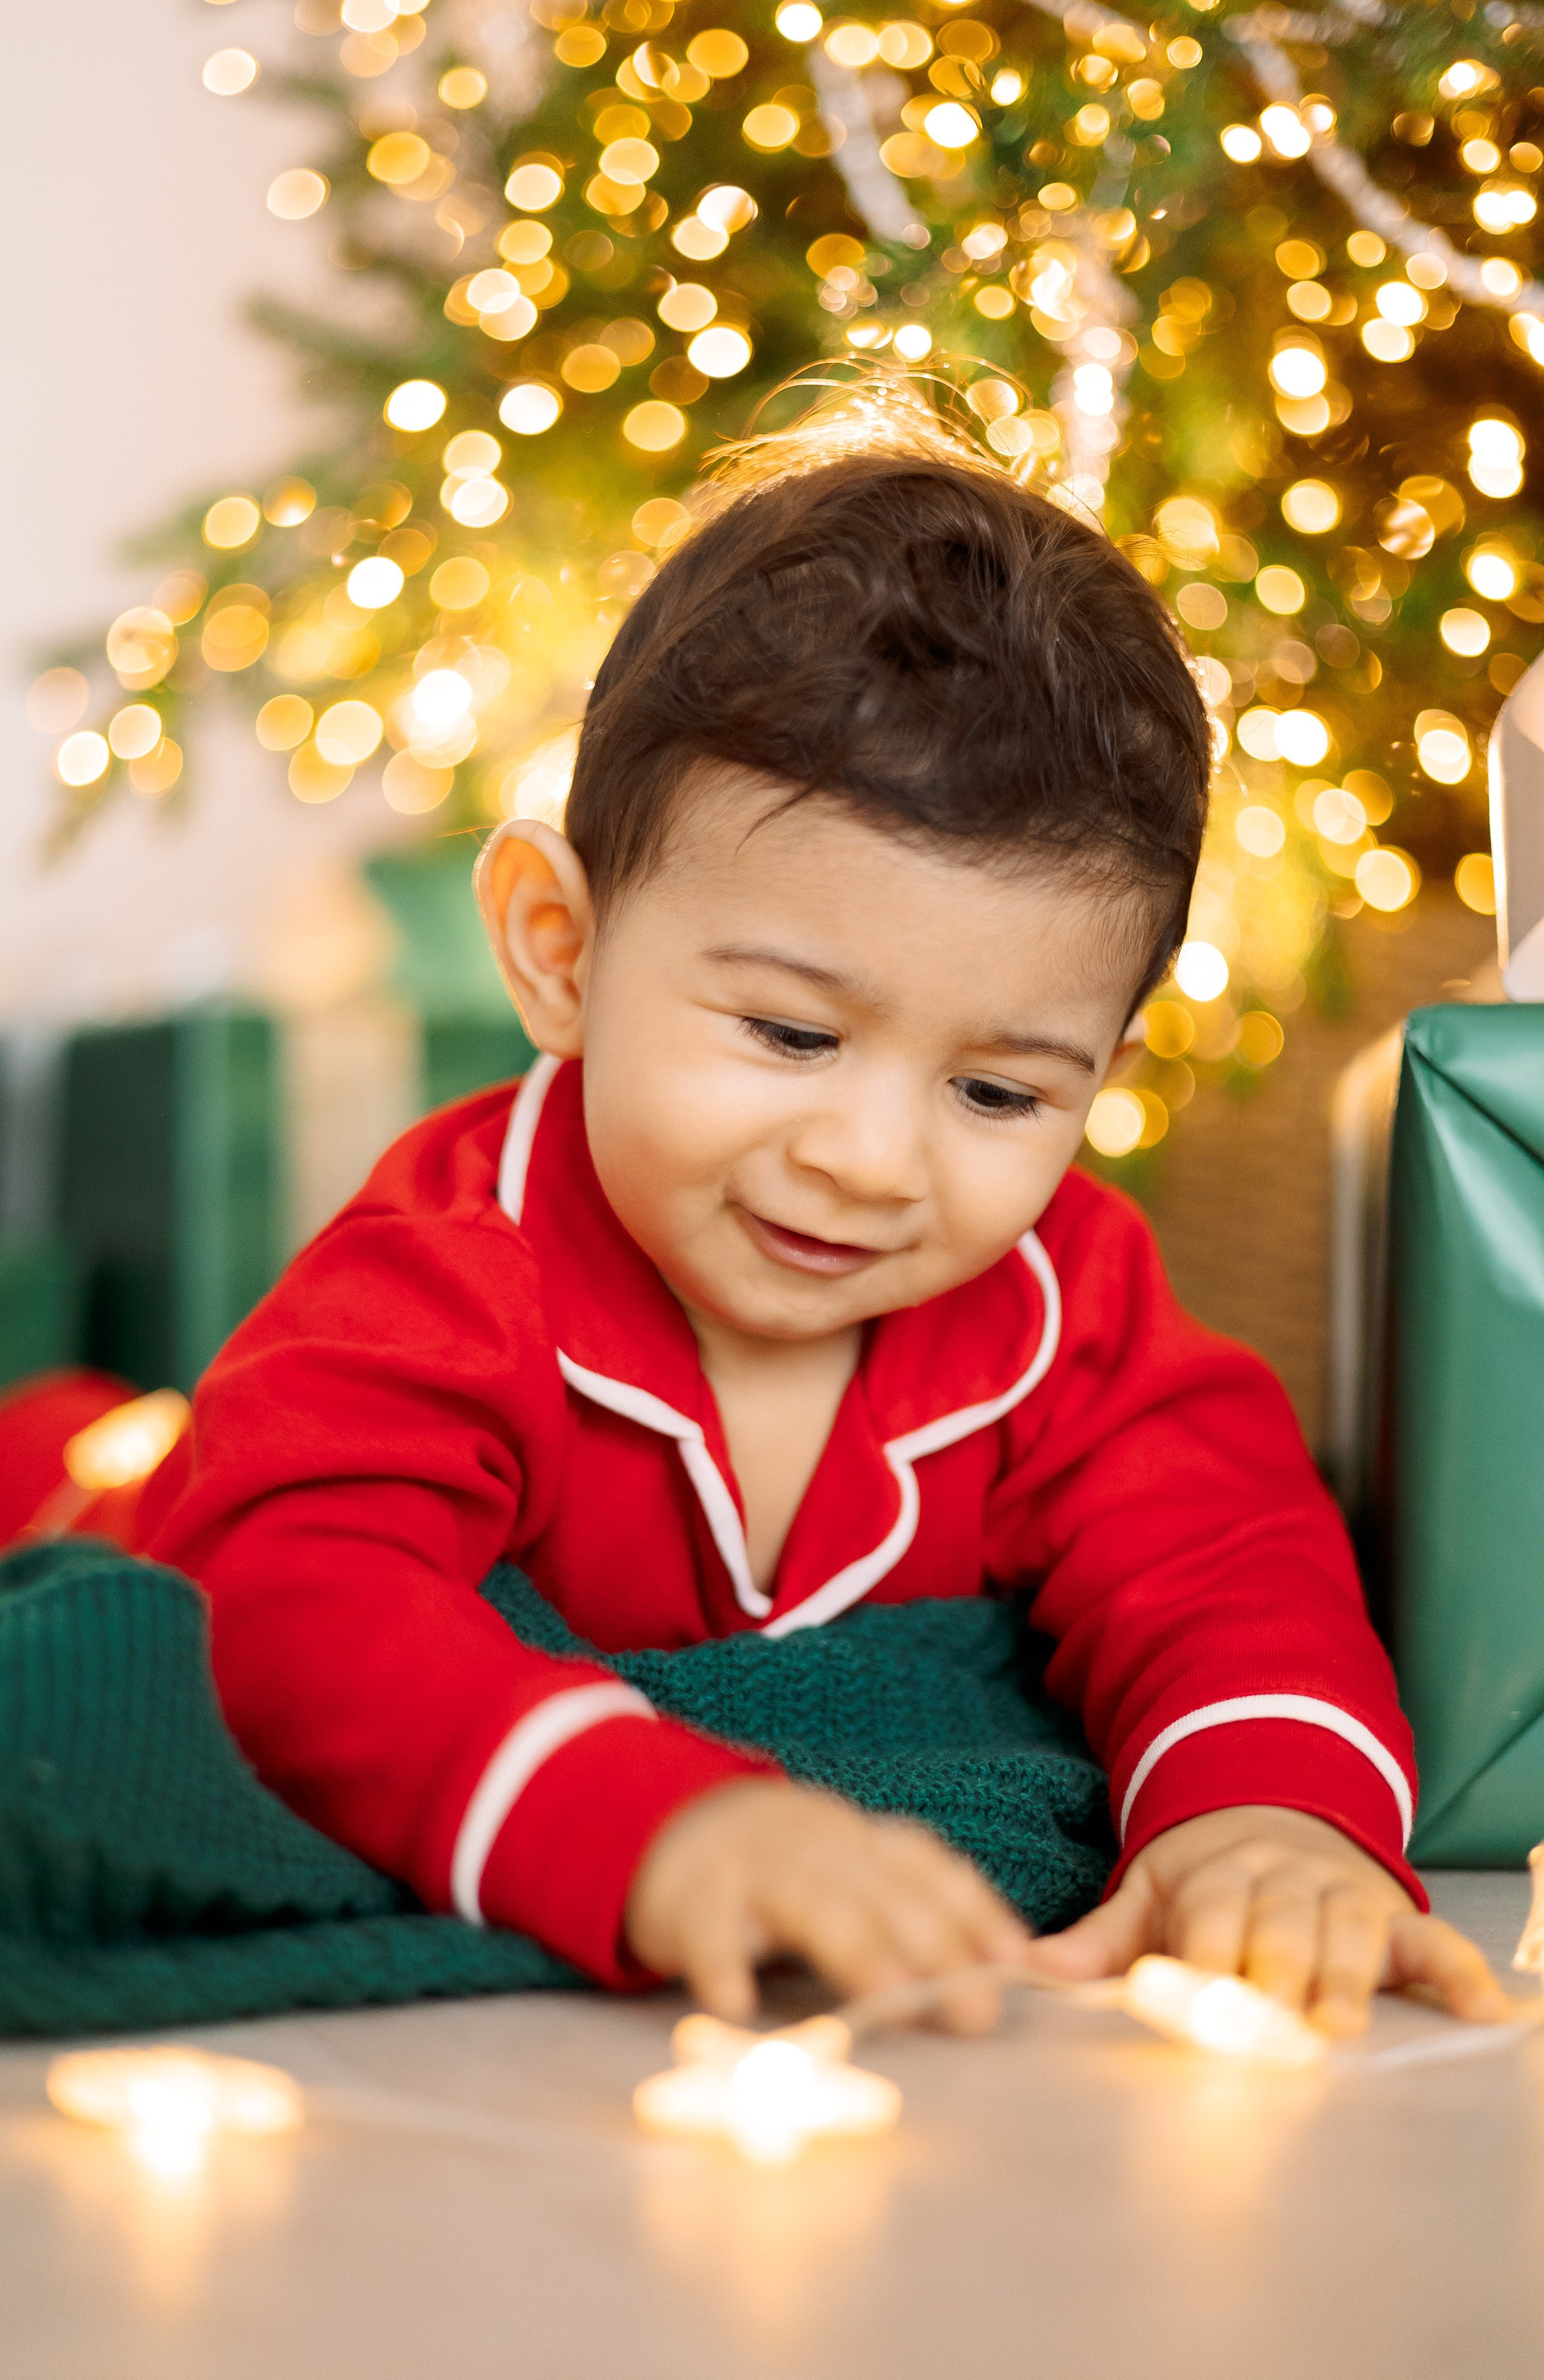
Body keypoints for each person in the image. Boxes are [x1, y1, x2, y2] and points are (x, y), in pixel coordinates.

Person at [104, 399, 1516, 2032]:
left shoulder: (1072, 1301)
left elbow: (1232, 1562)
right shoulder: (449, 1265)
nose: (871, 1159)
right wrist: (653, 1824)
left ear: (1104, 1074)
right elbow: (286, 1598)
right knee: (98, 1505)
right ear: (560, 951)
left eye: (999, 1093)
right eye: (789, 1034)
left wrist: (1262, 1815)